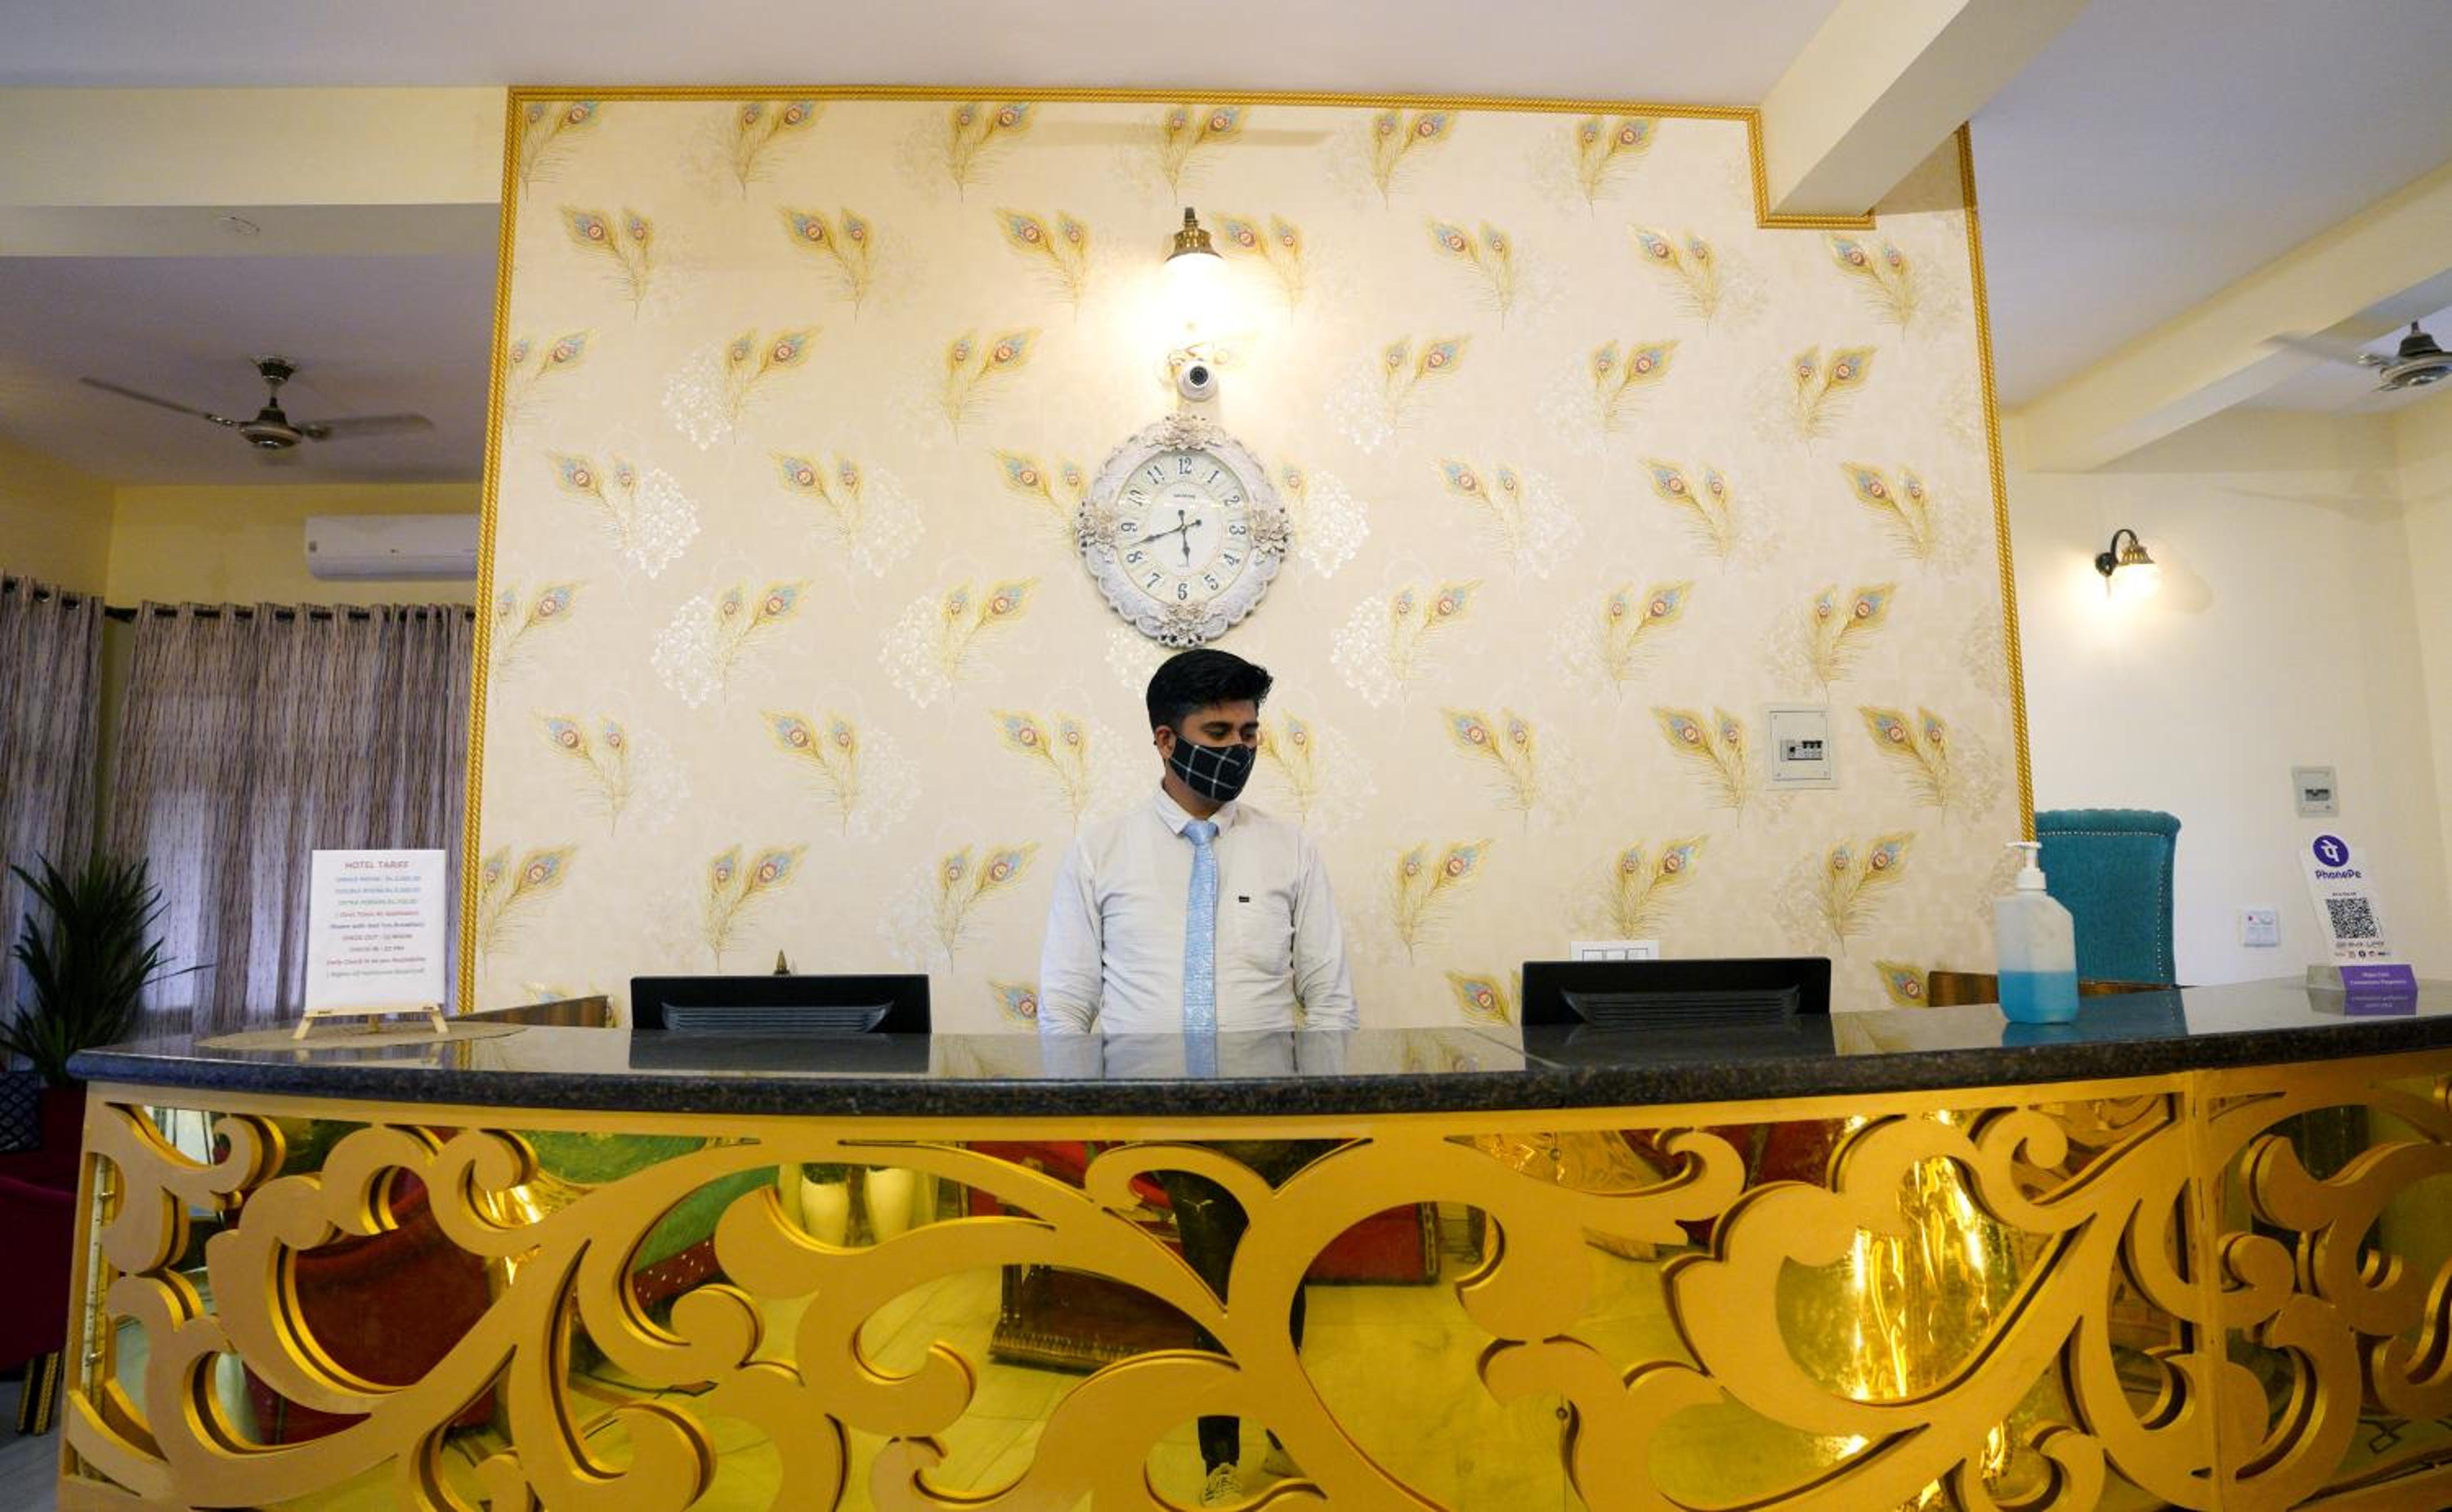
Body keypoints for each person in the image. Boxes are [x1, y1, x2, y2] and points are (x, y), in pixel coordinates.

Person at [1037, 646, 1355, 1504]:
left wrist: (1324, 1115)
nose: (1239, 748)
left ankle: (1266, 1442)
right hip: (1159, 1122)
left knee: (1271, 1281)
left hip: (1274, 1121)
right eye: (1218, 731)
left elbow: (1329, 997)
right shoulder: (1101, 851)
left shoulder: (1289, 851)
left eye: (1249, 732)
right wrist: (1086, 1121)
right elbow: (1065, 1005)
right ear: (1164, 739)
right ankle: (1242, 1448)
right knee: (1216, 1287)